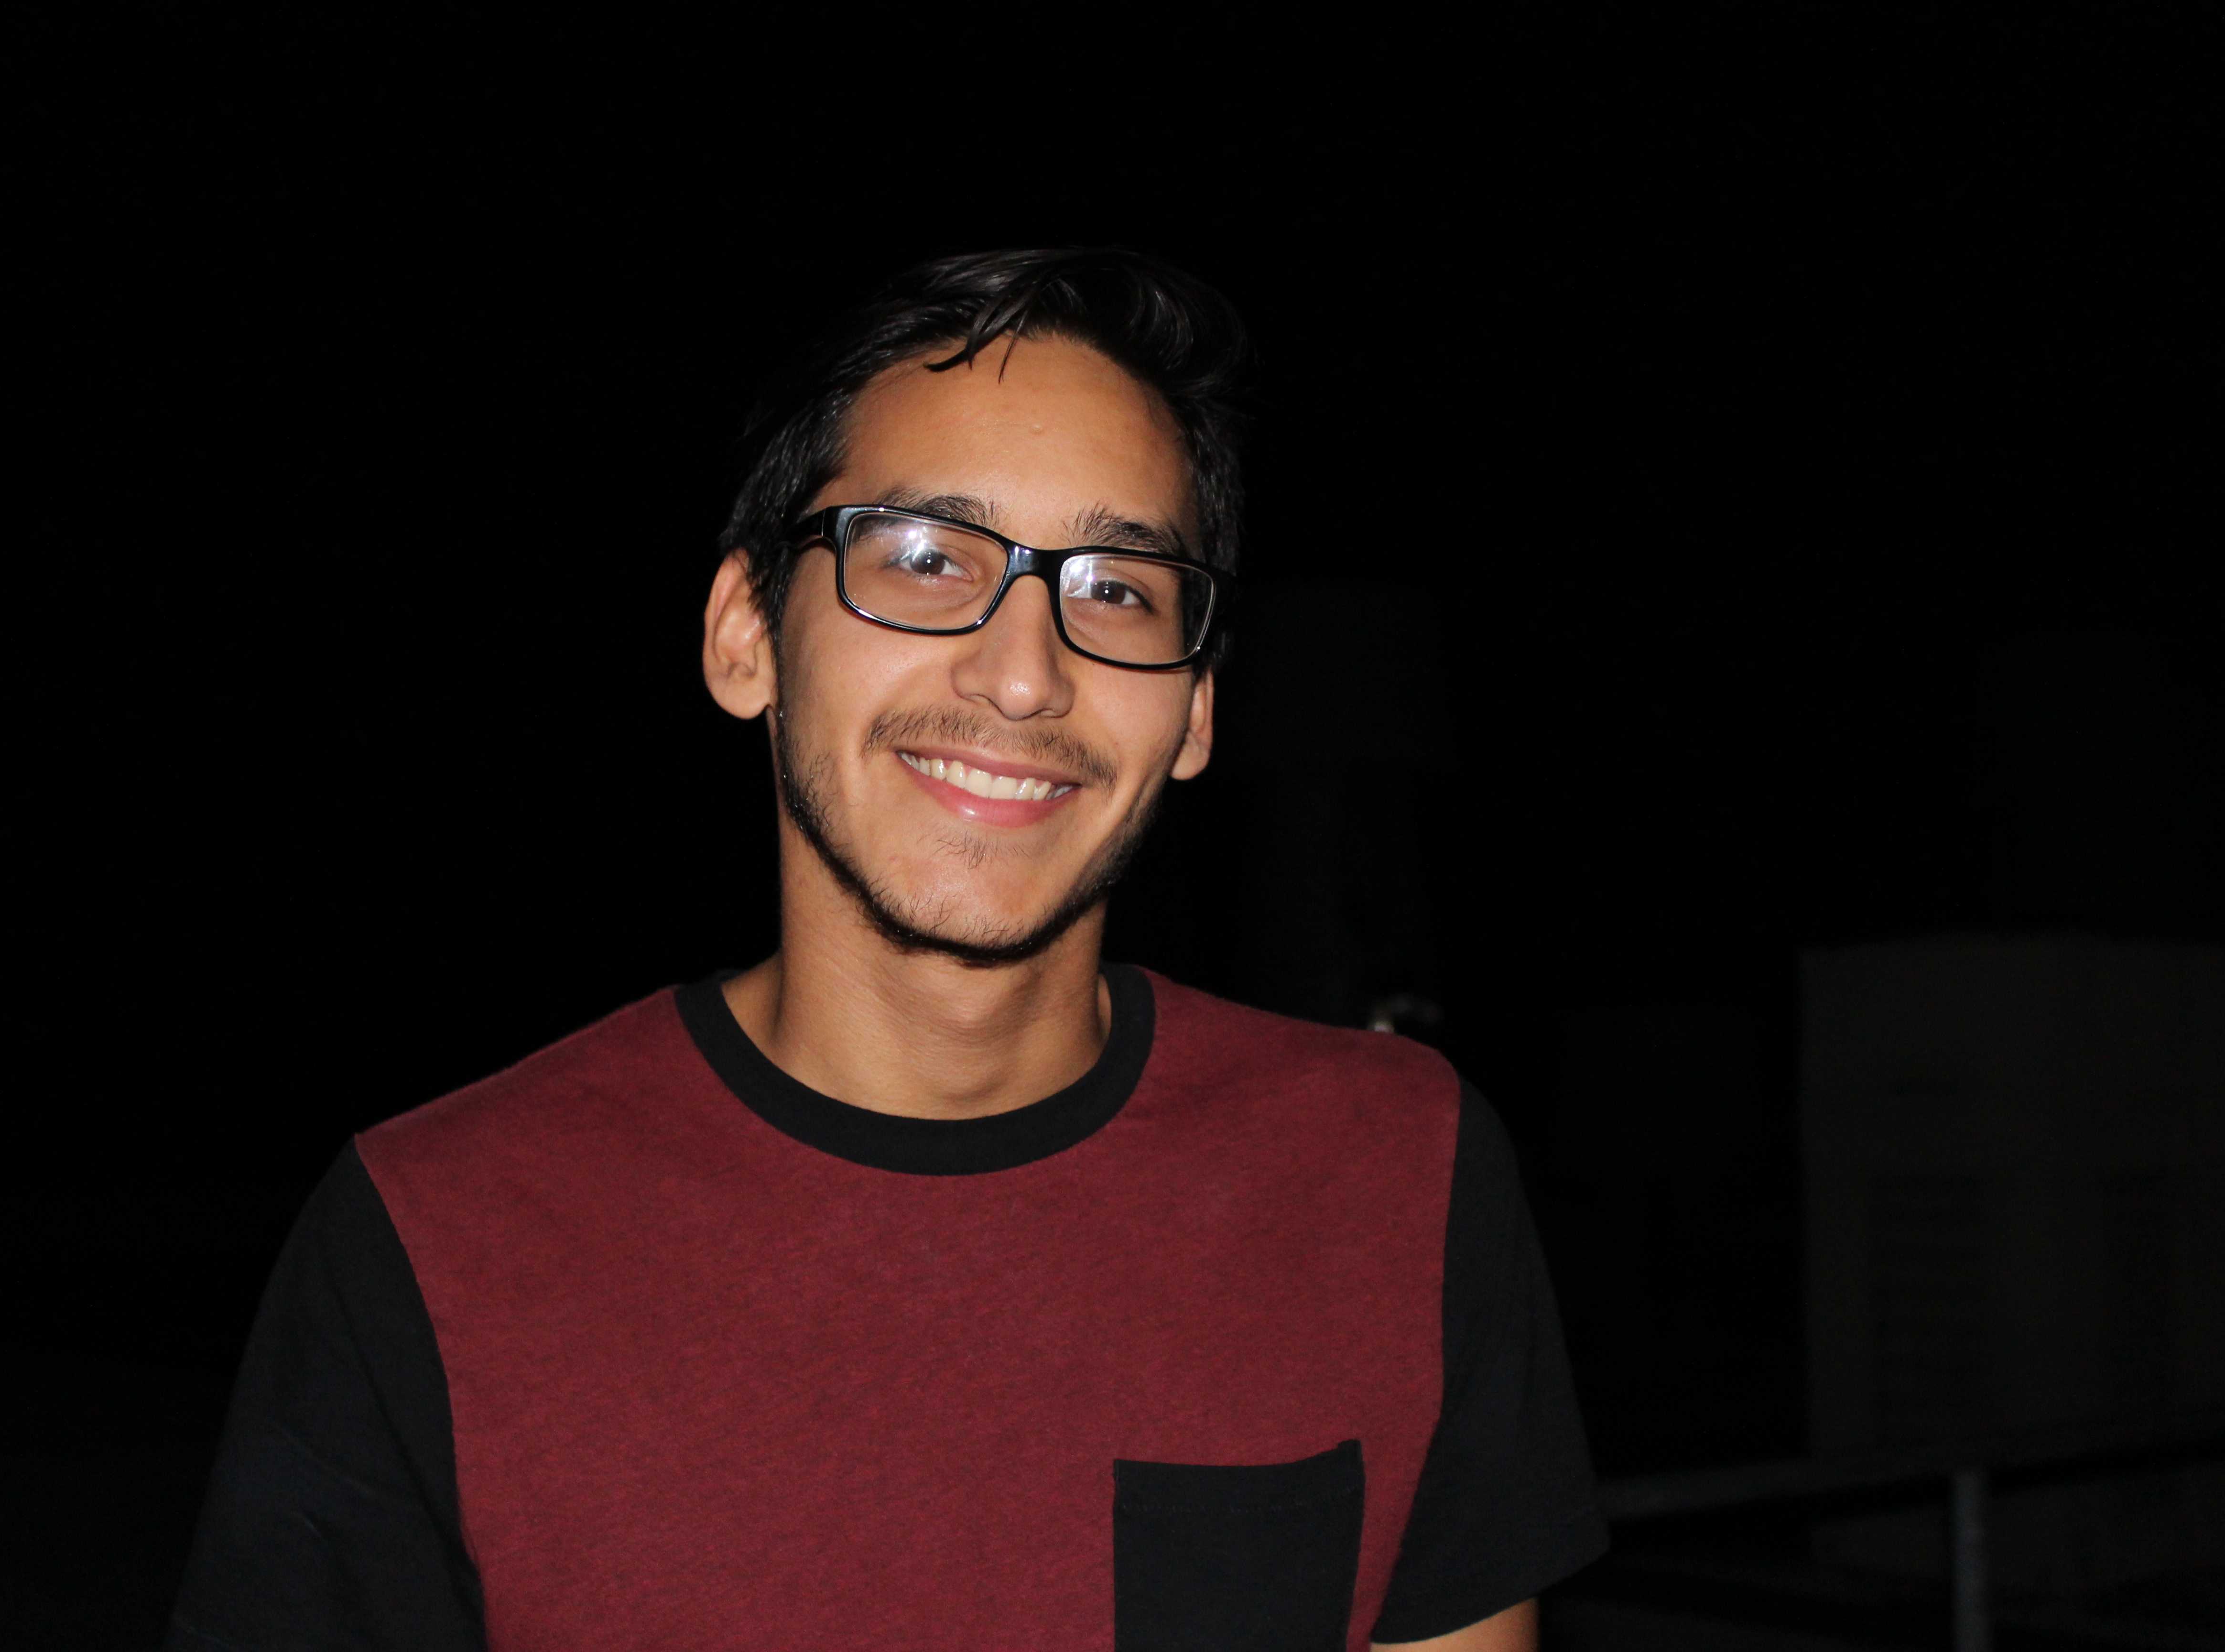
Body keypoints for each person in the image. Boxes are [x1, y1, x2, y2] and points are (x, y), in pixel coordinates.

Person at [165, 248, 1606, 1651]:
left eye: (1116, 589)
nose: (1025, 670)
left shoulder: (1395, 1175)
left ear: (1199, 714)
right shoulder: (431, 1237)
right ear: (747, 638)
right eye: (923, 558)